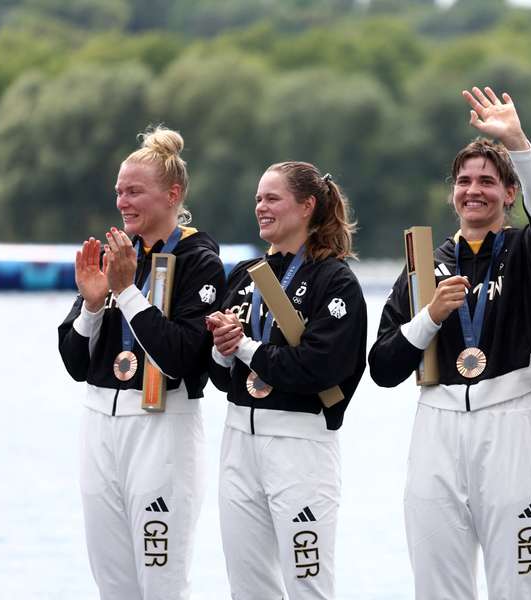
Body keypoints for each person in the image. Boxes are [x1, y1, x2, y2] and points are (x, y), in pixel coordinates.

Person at [368, 87, 531, 598]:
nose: (473, 190)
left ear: (509, 193)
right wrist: (430, 317)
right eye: (463, 181)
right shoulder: (424, 264)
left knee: (519, 585)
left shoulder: (529, 250)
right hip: (436, 427)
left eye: (486, 181)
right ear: (451, 193)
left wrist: (518, 141)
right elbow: (384, 367)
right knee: (437, 586)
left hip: (510, 422)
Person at [57, 126, 226, 599]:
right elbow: (73, 363)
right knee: (113, 582)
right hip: (99, 425)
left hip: (161, 425)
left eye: (134, 191)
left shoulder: (200, 259)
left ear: (172, 195)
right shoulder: (117, 255)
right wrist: (92, 306)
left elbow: (180, 357)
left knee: (160, 580)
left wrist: (127, 291)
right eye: (118, 191)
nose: (122, 202)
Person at [206, 161, 367, 600]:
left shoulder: (334, 280)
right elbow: (223, 379)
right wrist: (221, 351)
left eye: (272, 198)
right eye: (258, 198)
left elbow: (319, 367)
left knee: (307, 584)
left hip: (299, 447)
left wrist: (241, 347)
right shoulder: (243, 274)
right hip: (238, 440)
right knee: (248, 587)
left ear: (306, 206)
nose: (261, 207)